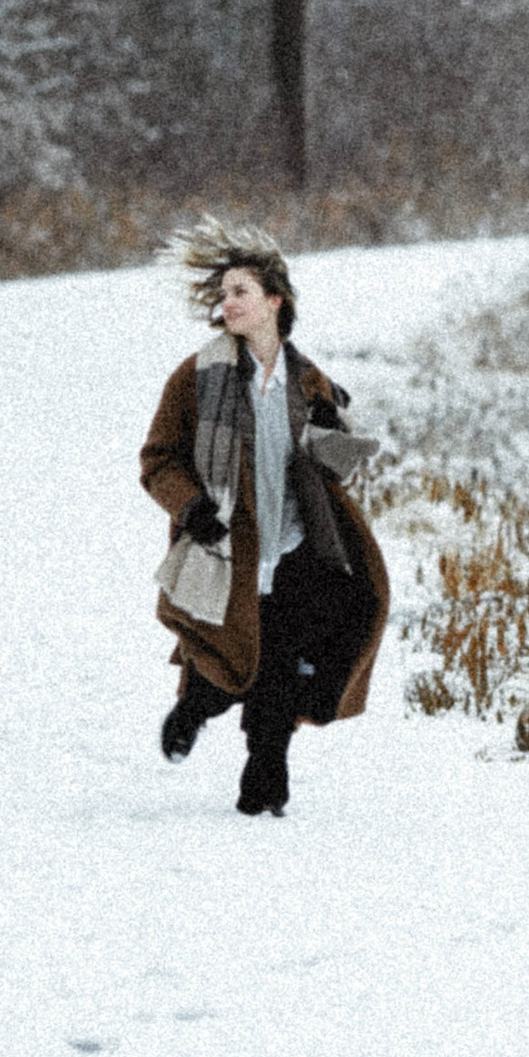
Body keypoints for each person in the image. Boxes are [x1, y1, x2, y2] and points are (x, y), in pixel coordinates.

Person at [141, 218, 388, 815]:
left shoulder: (309, 380)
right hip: (228, 548)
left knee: (279, 659)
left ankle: (266, 773)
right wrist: (193, 507)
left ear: (274, 299)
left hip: (299, 544)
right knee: (232, 662)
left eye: (240, 292)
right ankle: (197, 706)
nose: (228, 304)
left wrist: (333, 437)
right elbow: (158, 460)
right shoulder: (197, 378)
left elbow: (337, 466)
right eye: (223, 295)